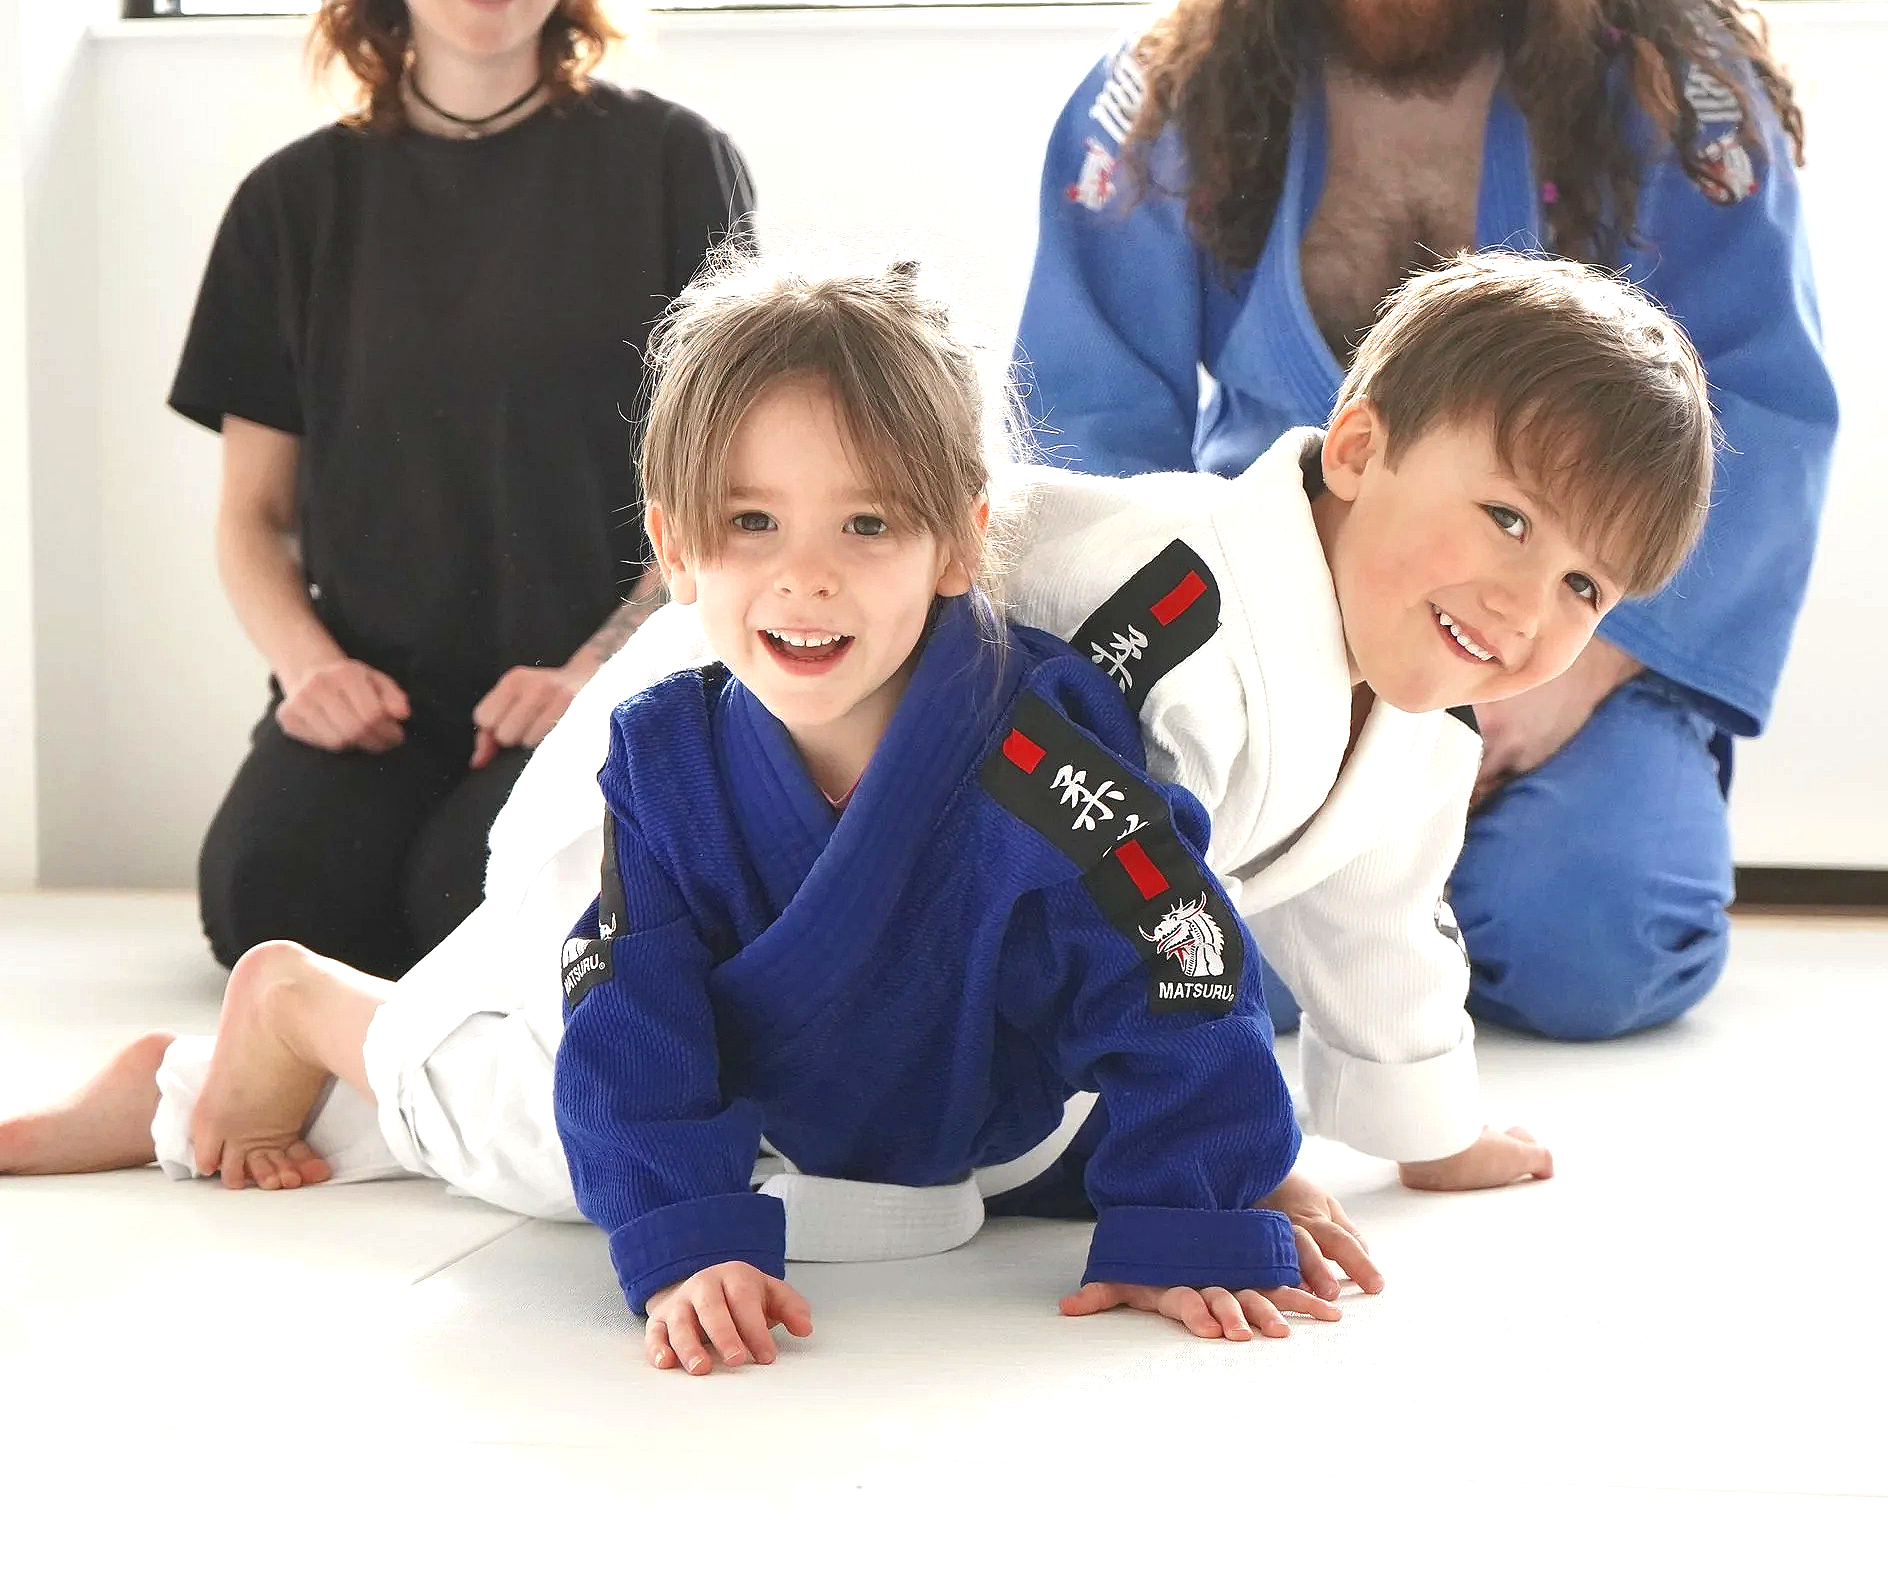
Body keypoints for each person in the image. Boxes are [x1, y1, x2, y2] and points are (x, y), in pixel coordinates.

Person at [0, 261, 1367, 1368]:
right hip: (711, 1047)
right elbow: (634, 1013)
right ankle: (285, 1015)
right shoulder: (665, 758)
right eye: (752, 522)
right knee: (537, 1139)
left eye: (869, 526)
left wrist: (1199, 1191)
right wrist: (687, 1230)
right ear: (673, 546)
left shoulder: (1048, 745)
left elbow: (1174, 963)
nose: (806, 579)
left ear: (962, 537)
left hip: (911, 1107)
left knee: (953, 1176)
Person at [485, 248, 1718, 1196]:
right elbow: (1109, 901)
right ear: (1355, 448)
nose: (1523, 605)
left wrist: (1428, 1133)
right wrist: (1213, 1149)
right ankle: (338, 1019)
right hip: (712, 773)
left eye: (1583, 587)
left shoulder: (1413, 721)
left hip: (883, 914)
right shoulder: (1182, 604)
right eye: (1506, 517)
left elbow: (1375, 926)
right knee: (556, 1121)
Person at [1014, 0, 1839, 1042]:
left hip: (1560, 643)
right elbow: (1085, 427)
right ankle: (1363, 891)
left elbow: (1762, 406)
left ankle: (1418, 887)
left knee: (1598, 944)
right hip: (1262, 629)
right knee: (1184, 943)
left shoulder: (1672, 82)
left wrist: (1576, 667)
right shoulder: (1160, 94)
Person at [177, 0, 754, 980]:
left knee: (471, 898)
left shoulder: (677, 165)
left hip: (595, 684)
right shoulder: (289, 204)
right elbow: (253, 515)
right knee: (271, 899)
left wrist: (592, 671)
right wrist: (312, 668)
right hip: (378, 699)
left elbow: (727, 488)